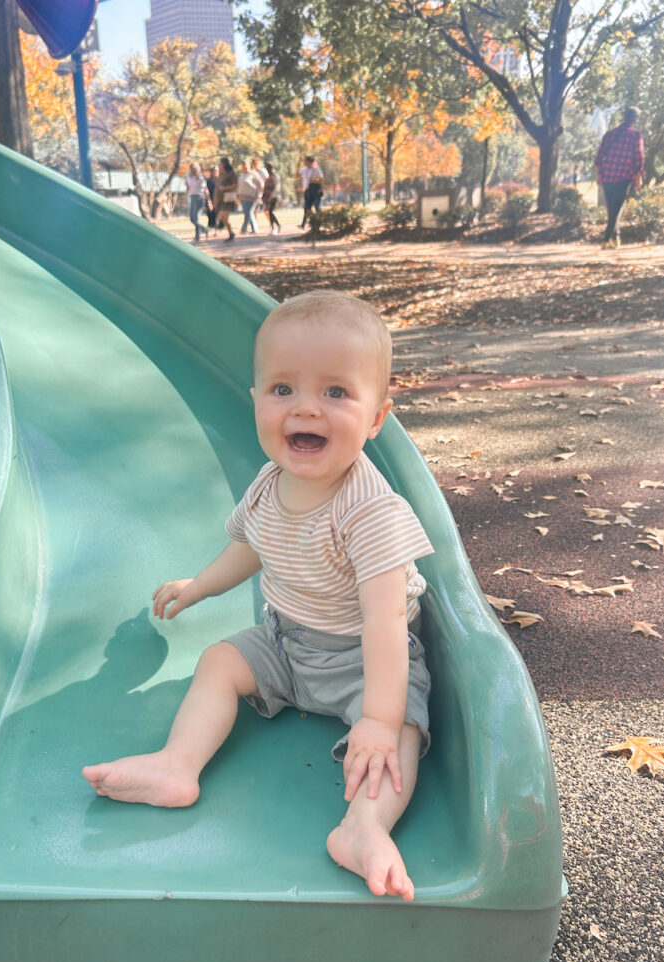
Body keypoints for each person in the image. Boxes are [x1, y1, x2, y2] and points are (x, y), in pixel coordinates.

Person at [83, 290, 435, 901]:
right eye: (282, 390)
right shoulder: (270, 484)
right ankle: (177, 765)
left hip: (362, 661)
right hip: (286, 642)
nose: (306, 409)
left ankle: (363, 828)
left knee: (399, 736)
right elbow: (251, 547)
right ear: (256, 402)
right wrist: (198, 586)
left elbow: (383, 624)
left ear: (377, 417)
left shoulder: (371, 512)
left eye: (335, 392)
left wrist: (377, 719)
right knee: (219, 662)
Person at [596, 106, 645, 248]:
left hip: (607, 176)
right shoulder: (636, 135)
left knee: (613, 208)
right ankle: (606, 239)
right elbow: (639, 158)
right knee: (615, 208)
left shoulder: (610, 134)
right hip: (624, 177)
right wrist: (638, 178)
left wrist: (599, 176)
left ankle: (616, 239)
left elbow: (600, 157)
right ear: (635, 119)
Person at [213, 157, 238, 242]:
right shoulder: (221, 174)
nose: (220, 165)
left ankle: (231, 233)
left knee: (223, 216)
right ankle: (230, 233)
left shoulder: (231, 174)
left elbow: (236, 184)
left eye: (221, 163)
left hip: (227, 199)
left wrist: (225, 188)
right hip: (220, 199)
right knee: (223, 218)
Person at [185, 161, 208, 242]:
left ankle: (197, 237)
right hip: (192, 198)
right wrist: (186, 198)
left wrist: (209, 202)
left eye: (193, 169)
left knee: (196, 218)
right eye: (190, 169)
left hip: (199, 198)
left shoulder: (201, 178)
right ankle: (204, 229)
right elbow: (187, 190)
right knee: (192, 219)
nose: (191, 170)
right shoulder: (188, 178)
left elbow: (206, 190)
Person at [237, 160, 261, 234]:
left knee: (249, 212)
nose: (245, 166)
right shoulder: (241, 175)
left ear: (249, 165)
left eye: (246, 165)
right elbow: (239, 186)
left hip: (252, 197)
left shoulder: (253, 174)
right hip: (243, 197)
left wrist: (259, 194)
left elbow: (260, 184)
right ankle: (254, 229)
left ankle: (244, 229)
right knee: (247, 213)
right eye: (243, 165)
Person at [300, 155, 324, 227]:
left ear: (310, 162)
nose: (305, 163)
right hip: (309, 190)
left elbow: (321, 180)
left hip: (316, 189)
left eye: (306, 161)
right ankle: (310, 223)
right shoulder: (305, 170)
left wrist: (313, 180)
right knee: (307, 207)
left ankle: (320, 222)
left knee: (317, 207)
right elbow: (298, 175)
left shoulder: (316, 169)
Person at [262, 162, 281, 234]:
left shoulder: (275, 176)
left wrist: (272, 196)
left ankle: (277, 226)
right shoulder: (269, 176)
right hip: (267, 196)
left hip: (273, 196)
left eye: (268, 168)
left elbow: (276, 187)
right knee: (268, 212)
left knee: (270, 211)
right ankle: (273, 227)